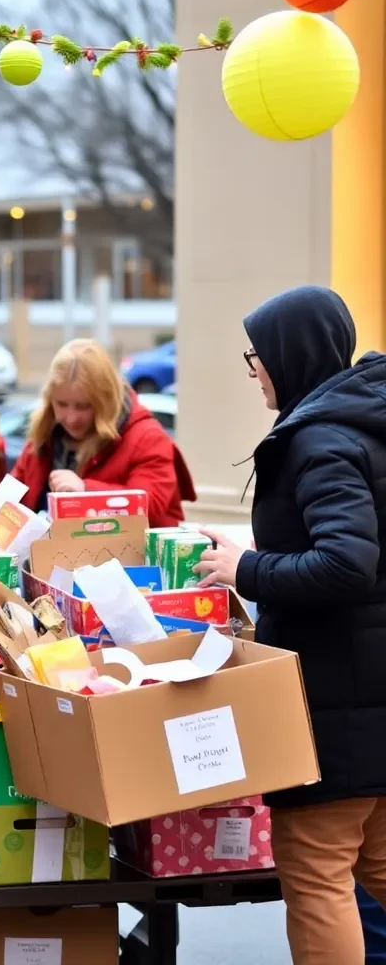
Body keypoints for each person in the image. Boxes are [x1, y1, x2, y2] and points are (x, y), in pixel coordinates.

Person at [195, 286, 386, 965]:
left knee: (317, 878)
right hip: (369, 699)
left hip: (337, 708)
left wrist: (248, 569)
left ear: (289, 353)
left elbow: (345, 564)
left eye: (258, 355)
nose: (254, 371)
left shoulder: (321, 441)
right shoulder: (363, 422)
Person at [12, 338, 195, 525]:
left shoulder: (148, 439)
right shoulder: (43, 436)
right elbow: (11, 504)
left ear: (105, 401)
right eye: (61, 404)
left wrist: (86, 492)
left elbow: (150, 510)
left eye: (84, 406)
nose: (71, 417)